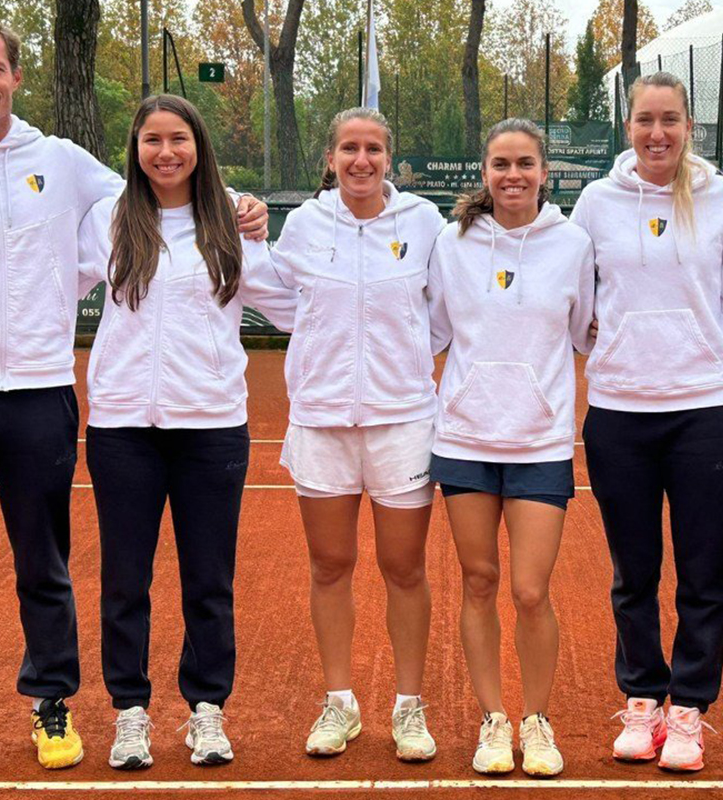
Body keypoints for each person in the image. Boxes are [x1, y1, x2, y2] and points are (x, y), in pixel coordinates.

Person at [0, 17, 266, 772]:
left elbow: (162, 187)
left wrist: (238, 200)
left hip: (38, 391)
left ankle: (51, 701)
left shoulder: (60, 160)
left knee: (42, 564)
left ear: (16, 77)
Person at [76, 94, 294, 770]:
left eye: (178, 139)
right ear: (135, 149)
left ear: (199, 146)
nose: (165, 152)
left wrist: (261, 231)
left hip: (212, 427)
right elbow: (47, 286)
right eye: (152, 140)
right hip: (122, 428)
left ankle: (206, 709)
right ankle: (130, 712)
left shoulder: (230, 220)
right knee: (124, 579)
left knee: (208, 579)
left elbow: (290, 303)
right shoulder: (107, 219)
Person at [569, 72, 723, 771]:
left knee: (703, 570)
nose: (657, 133)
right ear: (629, 127)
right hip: (620, 411)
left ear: (688, 127)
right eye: (645, 120)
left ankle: (689, 708)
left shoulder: (722, 198)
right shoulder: (597, 202)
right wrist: (605, 342)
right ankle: (642, 697)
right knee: (634, 571)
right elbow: (576, 295)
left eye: (670, 119)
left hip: (705, 408)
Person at [268, 108, 446, 762]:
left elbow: (442, 311)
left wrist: (406, 362)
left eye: (373, 148)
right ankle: (339, 702)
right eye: (349, 148)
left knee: (405, 567)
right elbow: (282, 301)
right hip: (321, 422)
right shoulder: (305, 225)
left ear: (389, 159)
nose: (361, 160)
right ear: (331, 157)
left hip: (403, 423)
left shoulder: (424, 222)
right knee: (329, 565)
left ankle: (408, 706)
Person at [427, 118, 594, 777]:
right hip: (465, 437)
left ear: (545, 173)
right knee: (478, 580)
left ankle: (537, 720)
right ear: (485, 172)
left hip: (540, 441)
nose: (513, 174)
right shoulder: (452, 242)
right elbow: (436, 330)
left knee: (529, 590)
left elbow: (581, 332)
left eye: (525, 163)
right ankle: (494, 719)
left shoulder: (573, 243)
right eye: (501, 163)